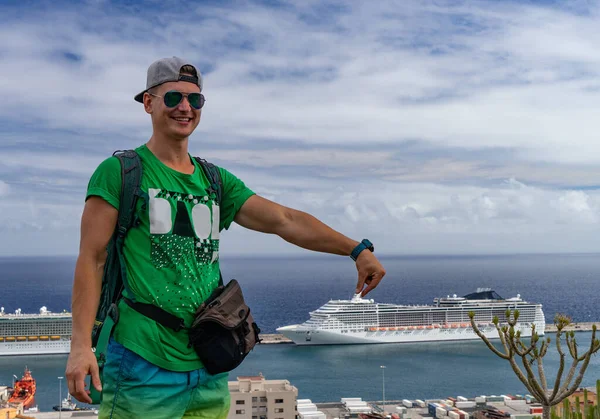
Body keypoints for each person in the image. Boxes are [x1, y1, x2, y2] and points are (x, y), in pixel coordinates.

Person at [65, 56, 386, 419]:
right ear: (149, 103)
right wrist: (80, 347)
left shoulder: (214, 181)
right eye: (173, 98)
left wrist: (355, 249)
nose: (185, 107)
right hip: (142, 360)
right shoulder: (120, 173)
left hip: (208, 361)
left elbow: (284, 220)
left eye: (195, 100)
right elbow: (92, 259)